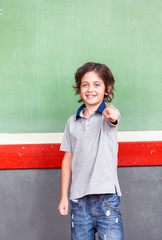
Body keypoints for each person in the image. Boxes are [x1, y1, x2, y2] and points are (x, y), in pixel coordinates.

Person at [58, 62, 124, 240]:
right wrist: (64, 196)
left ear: (107, 89)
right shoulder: (72, 122)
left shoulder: (108, 116)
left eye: (97, 84)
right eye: (85, 84)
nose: (90, 89)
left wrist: (111, 112)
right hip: (79, 201)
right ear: (79, 89)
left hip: (107, 199)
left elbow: (113, 114)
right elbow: (67, 160)